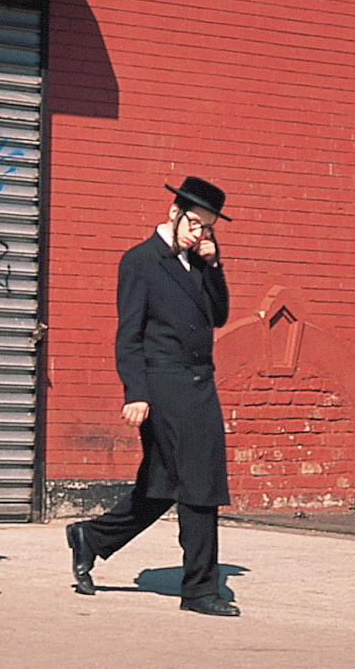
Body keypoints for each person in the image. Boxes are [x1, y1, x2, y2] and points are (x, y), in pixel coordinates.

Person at [66, 176, 239, 617]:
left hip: (200, 383)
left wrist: (214, 264)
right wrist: (136, 392)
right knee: (199, 481)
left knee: (163, 485)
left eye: (209, 227)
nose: (201, 233)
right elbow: (129, 337)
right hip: (166, 388)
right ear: (173, 213)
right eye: (196, 224)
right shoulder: (140, 262)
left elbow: (218, 317)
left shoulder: (199, 263)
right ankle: (199, 589)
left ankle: (92, 538)